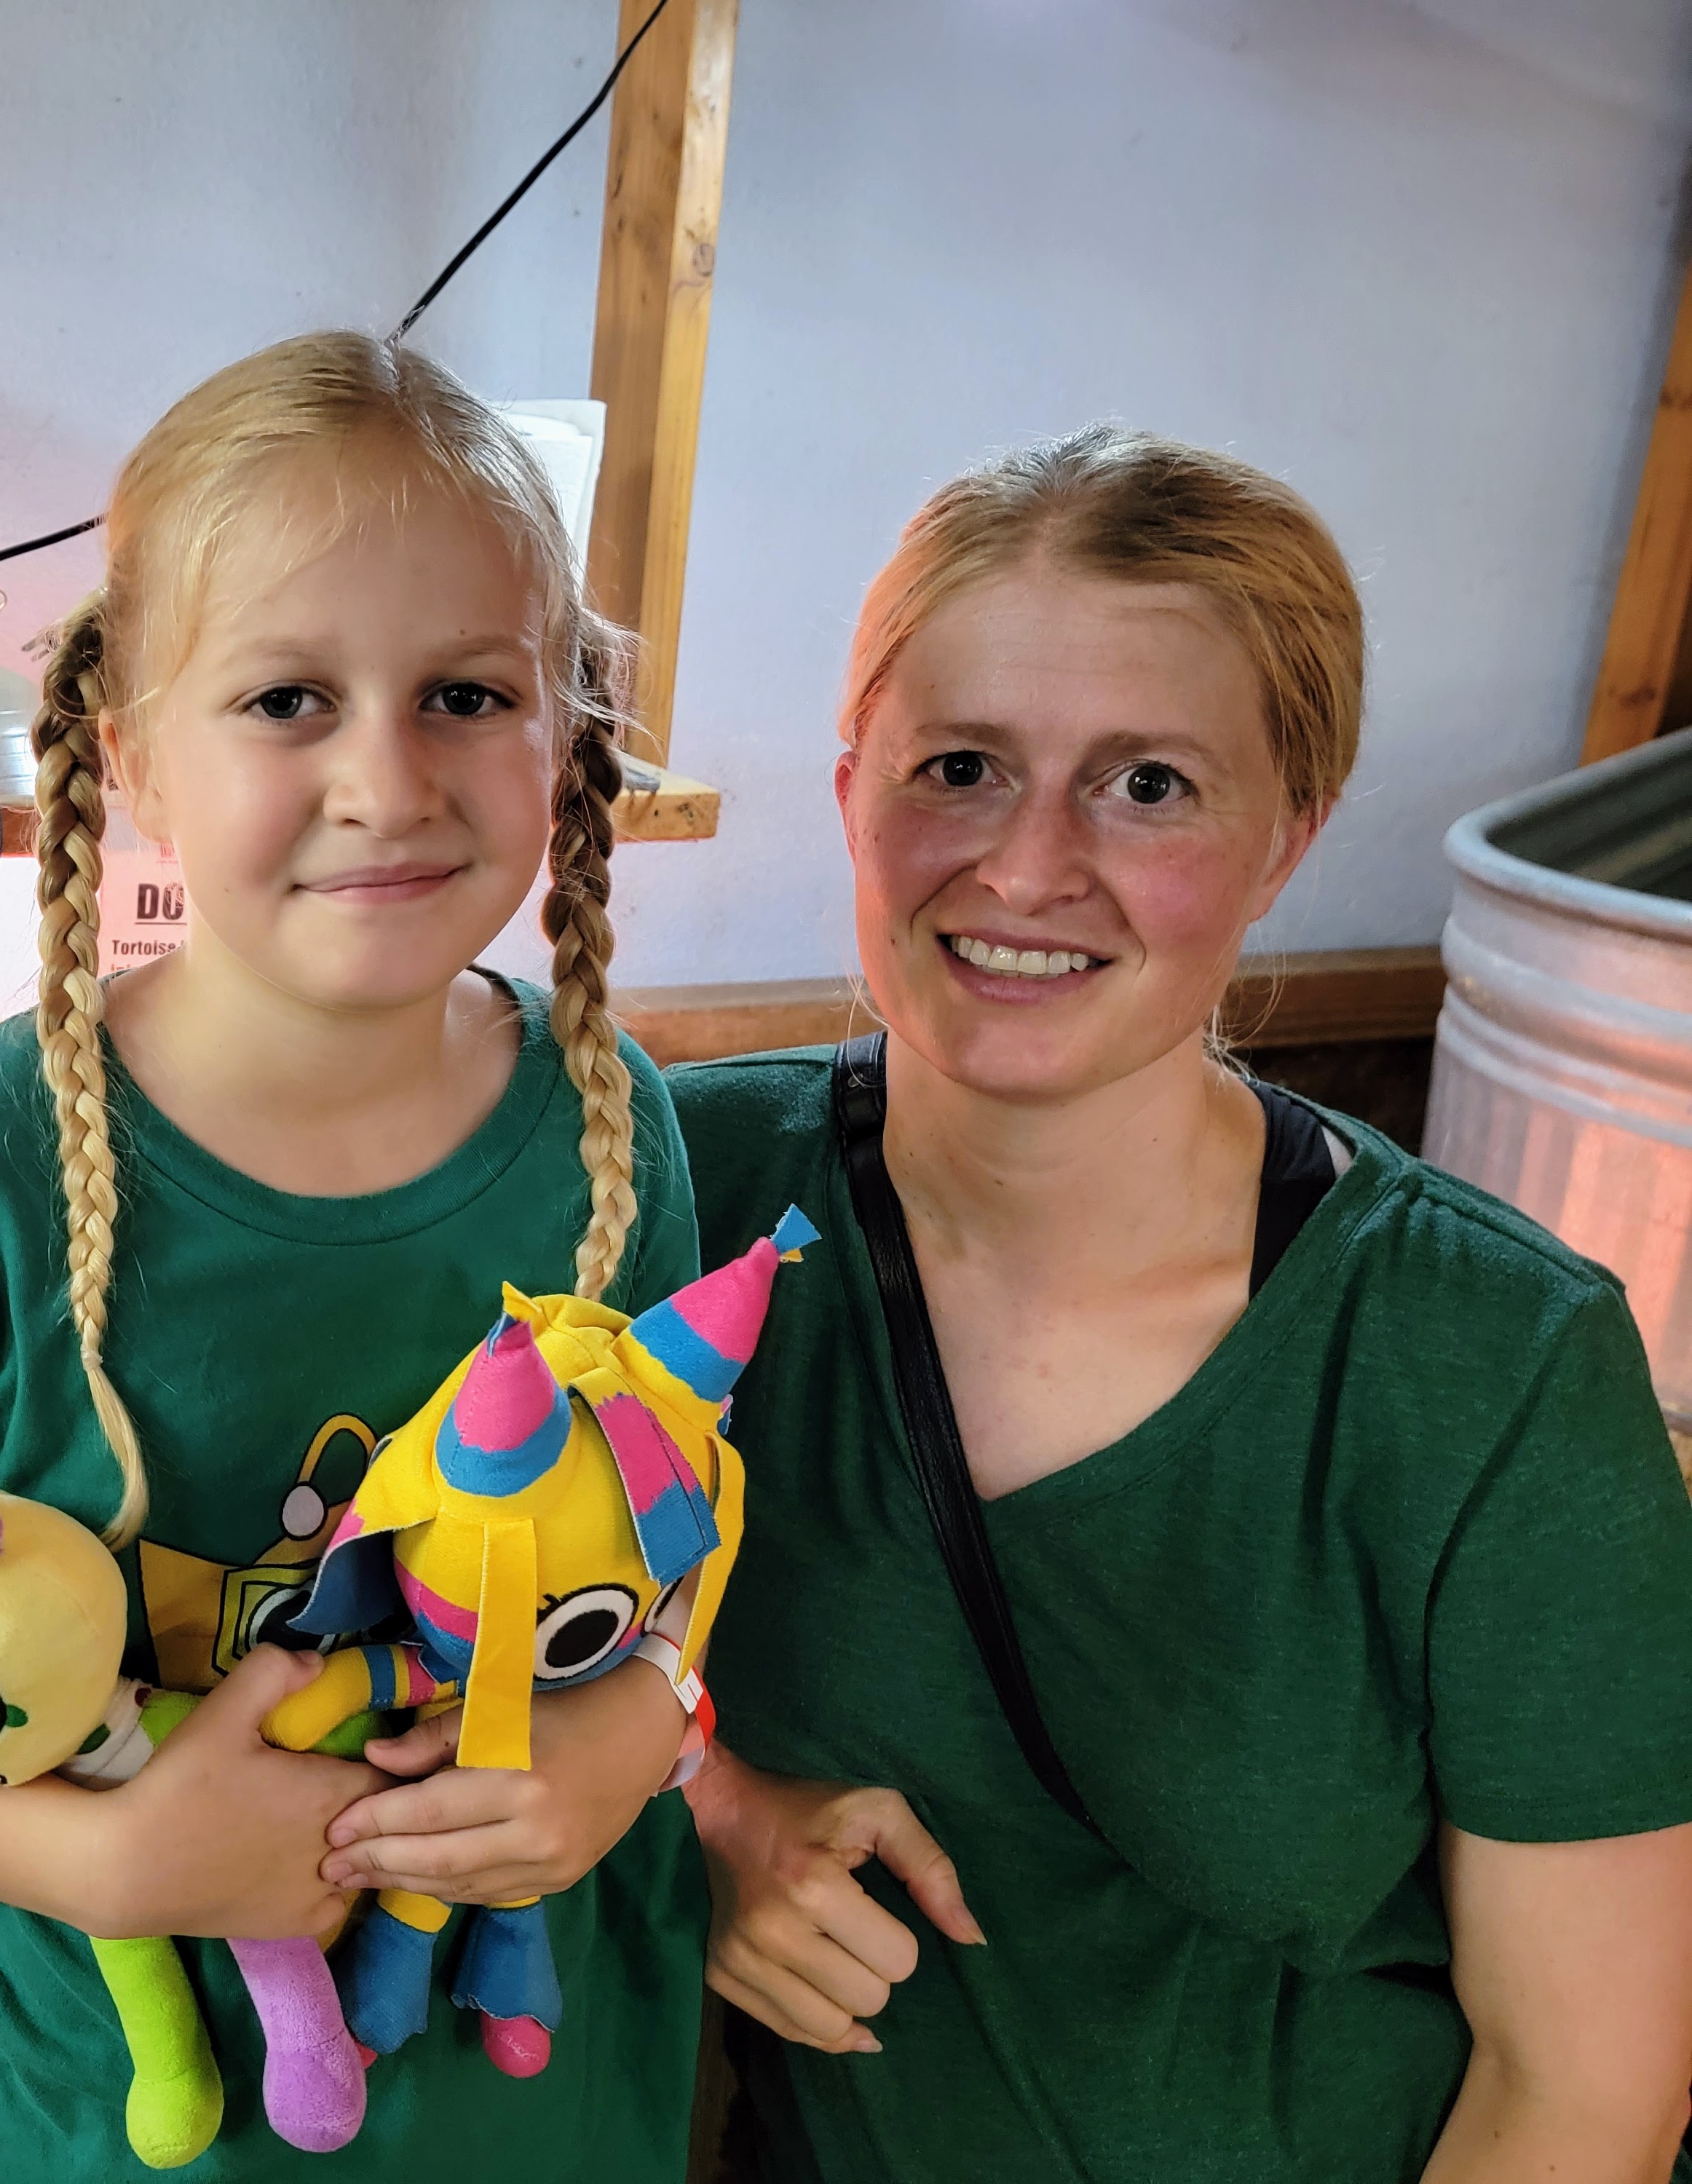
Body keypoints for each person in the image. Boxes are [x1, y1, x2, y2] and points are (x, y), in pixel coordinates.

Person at [0, 331, 713, 2183]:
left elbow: (679, 1554)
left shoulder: (613, 1125)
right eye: (284, 701)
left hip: (543, 2123)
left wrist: (634, 1739)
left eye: (466, 696)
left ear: (559, 732)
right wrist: (96, 1859)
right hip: (91, 2129)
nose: (386, 780)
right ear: (132, 761)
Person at [666, 425, 1692, 2182]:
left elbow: (1583, 2097)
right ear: (849, 789)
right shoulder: (663, 1198)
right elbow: (456, 1626)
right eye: (962, 764)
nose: (1026, 864)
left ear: (1283, 838)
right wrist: (704, 1823)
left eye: (1147, 785)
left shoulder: (1490, 1366)